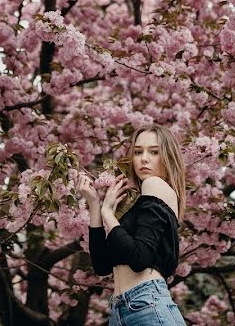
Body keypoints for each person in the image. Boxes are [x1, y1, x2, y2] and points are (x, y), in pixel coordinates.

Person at [77, 125, 187, 325]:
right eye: (138, 152)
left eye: (154, 152)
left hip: (146, 304)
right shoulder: (146, 200)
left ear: (168, 157)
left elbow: (139, 258)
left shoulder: (154, 184)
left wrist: (108, 214)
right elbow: (102, 265)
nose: (144, 158)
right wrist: (95, 205)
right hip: (122, 309)